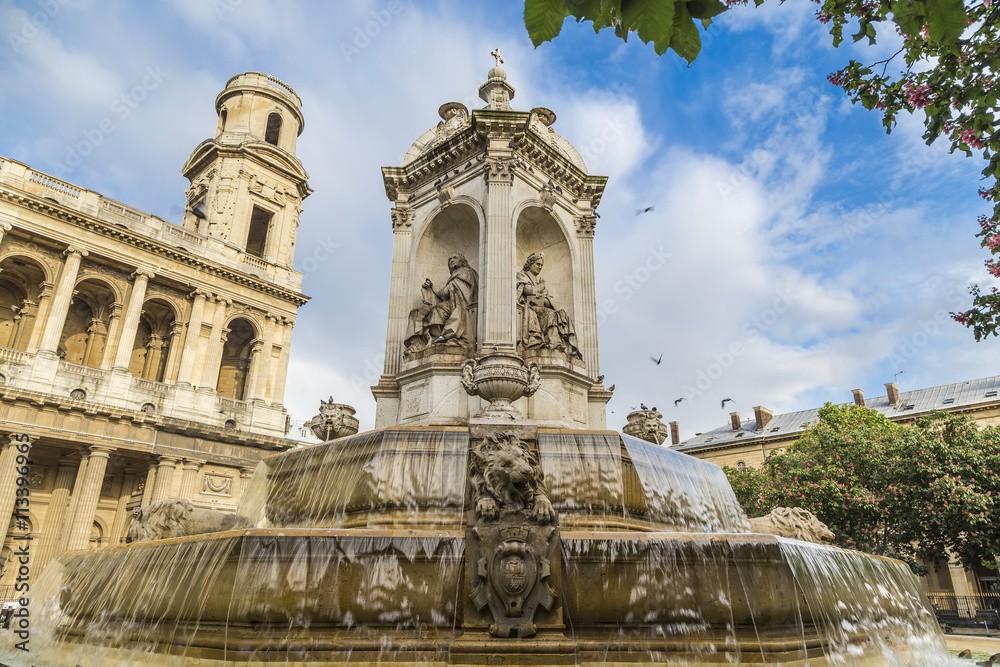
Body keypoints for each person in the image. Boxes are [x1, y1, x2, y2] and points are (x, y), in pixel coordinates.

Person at [404, 253, 478, 353]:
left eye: (455, 258)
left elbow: (446, 292)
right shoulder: (456, 276)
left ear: (462, 261)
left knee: (438, 310)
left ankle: (443, 336)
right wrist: (431, 288)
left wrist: (432, 288)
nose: (451, 260)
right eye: (450, 258)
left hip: (462, 305)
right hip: (454, 303)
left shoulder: (464, 272)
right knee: (432, 310)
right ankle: (436, 338)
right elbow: (444, 292)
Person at [516, 252, 581, 358]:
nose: (540, 267)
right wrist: (541, 287)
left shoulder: (538, 281)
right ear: (530, 264)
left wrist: (545, 299)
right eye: (537, 264)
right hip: (529, 307)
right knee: (550, 313)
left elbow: (546, 297)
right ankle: (554, 343)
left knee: (562, 314)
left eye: (541, 265)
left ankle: (570, 347)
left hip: (539, 306)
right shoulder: (522, 275)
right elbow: (529, 291)